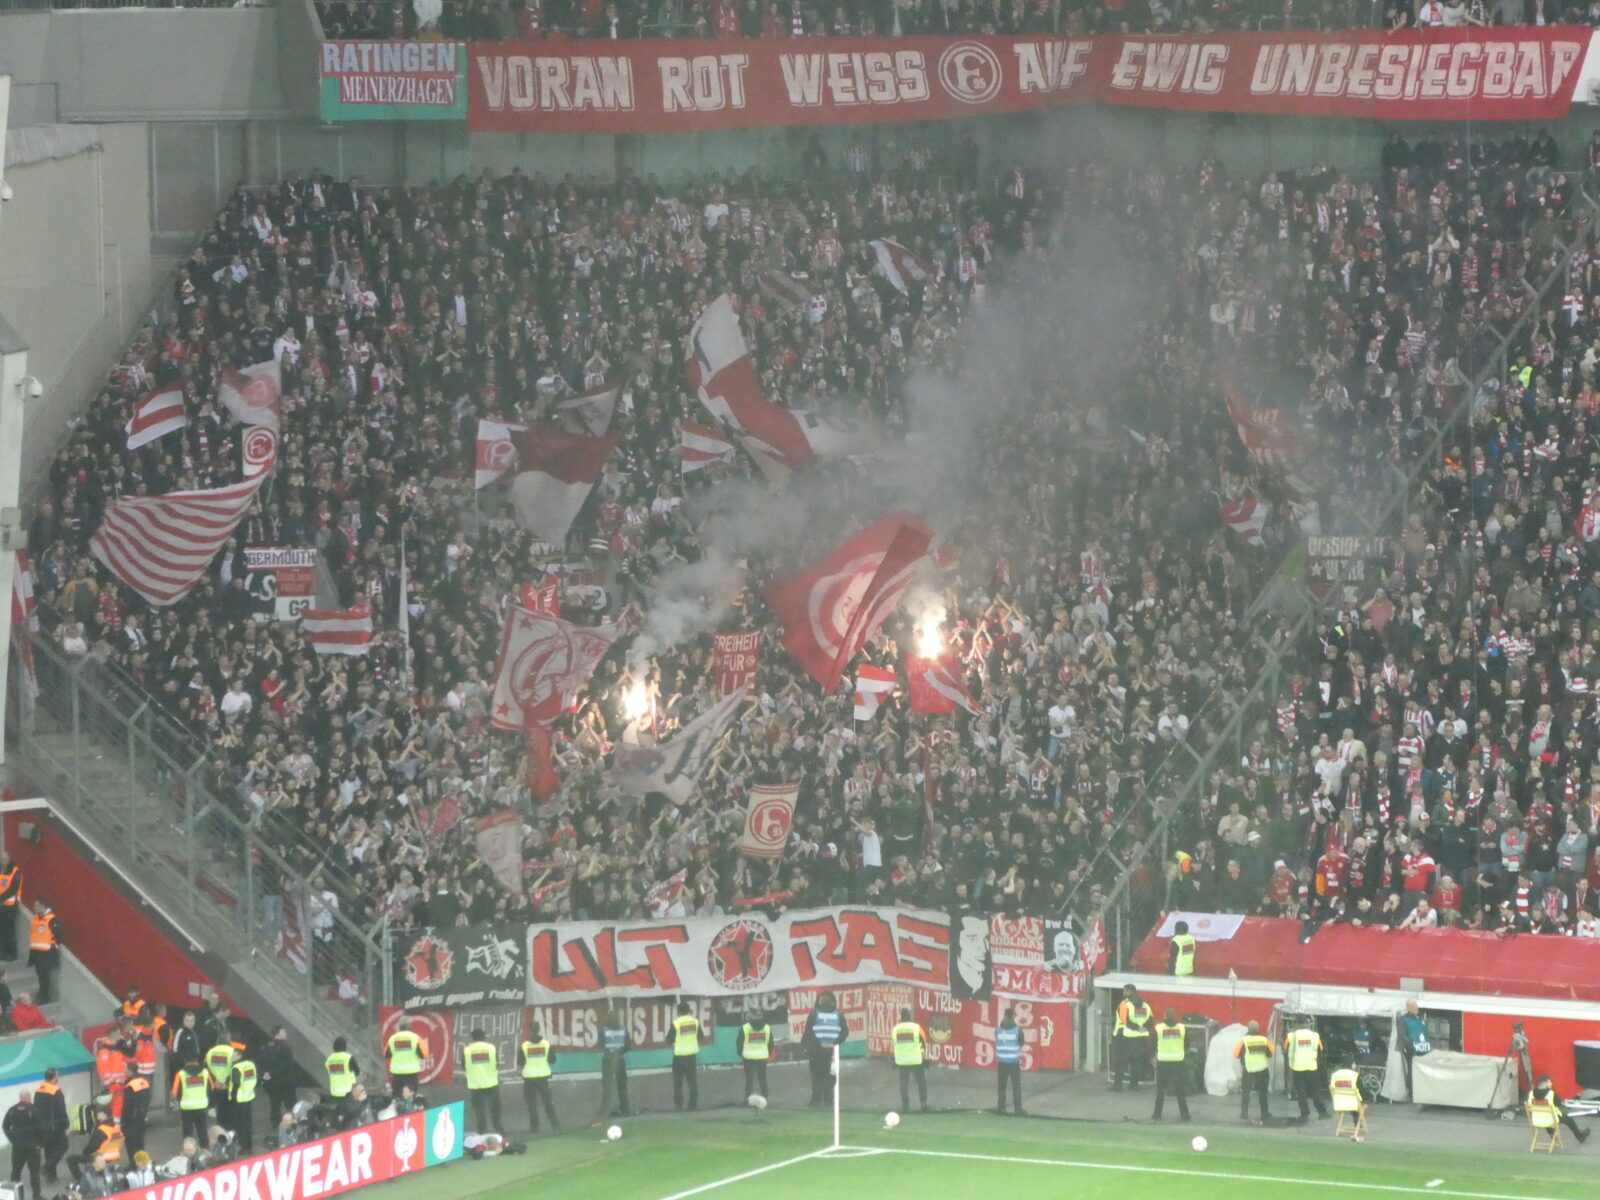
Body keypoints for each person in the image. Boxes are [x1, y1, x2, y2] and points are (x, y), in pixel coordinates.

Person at [802, 992, 846, 1108]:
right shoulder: (839, 1015)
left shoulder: (813, 1015)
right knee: (830, 1076)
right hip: (832, 1052)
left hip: (816, 1051)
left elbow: (808, 1033)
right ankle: (828, 1099)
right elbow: (844, 1032)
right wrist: (835, 1042)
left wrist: (807, 1047)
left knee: (816, 1076)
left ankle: (816, 1099)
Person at [461, 1029, 505, 1136]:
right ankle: (499, 1130)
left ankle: (482, 1131)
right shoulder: (491, 1048)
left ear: (473, 1037)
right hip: (491, 1082)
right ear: (484, 1037)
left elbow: (464, 1066)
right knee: (495, 1108)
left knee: (479, 1110)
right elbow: (496, 1063)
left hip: (475, 1084)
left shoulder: (467, 1050)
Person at [1151, 1008, 1191, 1122]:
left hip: (1163, 1061)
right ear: (1175, 1016)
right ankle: (1185, 1115)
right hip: (1178, 1061)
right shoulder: (1182, 1028)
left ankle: (1157, 1115)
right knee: (1180, 1090)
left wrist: (1154, 1056)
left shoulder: (1159, 1028)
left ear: (1164, 1016)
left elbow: (1153, 1043)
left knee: (1161, 1090)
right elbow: (1187, 1043)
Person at [517, 1024, 558, 1132]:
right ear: (539, 1030)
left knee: (531, 1104)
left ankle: (535, 1127)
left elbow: (520, 1062)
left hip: (529, 1077)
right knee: (547, 1102)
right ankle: (555, 1124)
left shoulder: (524, 1045)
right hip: (543, 1077)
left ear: (530, 1030)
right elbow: (552, 1059)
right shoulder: (546, 1044)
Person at [1112, 984, 1153, 1090]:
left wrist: (1136, 1028)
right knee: (1136, 1062)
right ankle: (1134, 1084)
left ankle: (1118, 1085)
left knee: (1120, 1061)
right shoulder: (1145, 1005)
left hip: (1125, 1036)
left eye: (1124, 991)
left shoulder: (1124, 1004)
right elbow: (1150, 1020)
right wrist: (1143, 1028)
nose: (1123, 993)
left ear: (1127, 992)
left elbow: (1125, 1020)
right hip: (1141, 1038)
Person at [1285, 1024, 1329, 1121]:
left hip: (1297, 1067)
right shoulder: (1315, 1035)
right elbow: (1321, 1049)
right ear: (1306, 1024)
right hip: (1311, 1067)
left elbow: (1286, 1048)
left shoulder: (1291, 1036)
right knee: (1315, 1091)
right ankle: (1322, 1112)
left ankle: (1304, 1113)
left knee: (1301, 1092)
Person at [1529, 1074, 1590, 1143]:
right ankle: (1580, 1136)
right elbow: (1559, 1105)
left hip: (1536, 1120)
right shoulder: (1551, 1094)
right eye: (1550, 1082)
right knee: (1569, 1120)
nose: (1551, 1084)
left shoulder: (1531, 1094)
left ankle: (1552, 1134)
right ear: (1546, 1083)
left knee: (1544, 1113)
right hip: (1550, 1119)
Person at [68, 1107, 123, 1183]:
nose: (97, 1114)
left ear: (105, 1115)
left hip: (101, 1157)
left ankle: (81, 1180)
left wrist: (84, 1152)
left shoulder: (102, 1130)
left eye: (99, 1113)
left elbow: (92, 1146)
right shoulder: (116, 1129)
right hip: (114, 1157)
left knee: (70, 1159)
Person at [1234, 1020, 1274, 1122]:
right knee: (1263, 1092)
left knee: (1246, 1092)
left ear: (1248, 1029)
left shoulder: (1244, 1040)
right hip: (1262, 1069)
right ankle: (1265, 1113)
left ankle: (1244, 1113)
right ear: (1258, 1029)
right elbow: (1271, 1052)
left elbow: (1235, 1054)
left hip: (1249, 1069)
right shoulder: (1264, 1040)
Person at [891, 1006, 928, 1112]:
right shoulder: (916, 1027)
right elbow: (924, 1042)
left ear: (901, 1016)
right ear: (910, 1015)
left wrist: (895, 1058)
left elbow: (894, 1043)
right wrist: (923, 1056)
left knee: (903, 1083)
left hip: (901, 1060)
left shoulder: (895, 1029)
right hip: (916, 1059)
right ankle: (923, 1104)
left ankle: (905, 1106)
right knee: (921, 1081)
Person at [35, 1066, 69, 1182]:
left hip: (41, 1126)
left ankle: (51, 1175)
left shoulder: (39, 1089)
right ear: (54, 1077)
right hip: (55, 1126)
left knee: (49, 1150)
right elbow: (61, 1110)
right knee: (63, 1147)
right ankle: (46, 1167)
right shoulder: (55, 1091)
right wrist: (66, 1126)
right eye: (57, 1075)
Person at [5, 1090, 41, 1199]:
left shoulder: (12, 1110)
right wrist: (40, 1143)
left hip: (18, 1147)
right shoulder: (34, 1109)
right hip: (32, 1147)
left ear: (20, 1098)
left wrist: (12, 1139)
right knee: (34, 1172)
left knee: (15, 1171)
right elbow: (41, 1128)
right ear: (29, 1097)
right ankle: (36, 1196)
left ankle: (13, 1195)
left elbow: (5, 1126)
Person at [259, 1026, 298, 1126]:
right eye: (283, 1032)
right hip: (285, 1082)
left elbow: (261, 1062)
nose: (286, 1033)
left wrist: (265, 1074)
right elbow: (287, 1065)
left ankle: (276, 1126)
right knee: (291, 1106)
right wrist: (271, 1073)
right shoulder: (286, 1048)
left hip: (272, 1083)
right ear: (277, 1034)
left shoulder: (266, 1047)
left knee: (275, 1106)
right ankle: (293, 1124)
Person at [598, 1009, 630, 1119]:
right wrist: (618, 1053)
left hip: (607, 1061)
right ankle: (625, 1110)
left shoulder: (603, 1030)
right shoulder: (624, 1030)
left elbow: (601, 1045)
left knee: (607, 1087)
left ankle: (604, 1111)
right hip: (620, 1060)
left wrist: (610, 1054)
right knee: (622, 1087)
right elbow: (628, 1046)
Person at [1397, 998, 1431, 1100]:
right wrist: (1411, 1046)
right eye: (1415, 1006)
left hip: (1424, 1049)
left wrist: (1428, 1043)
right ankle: (1412, 1092)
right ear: (1409, 1008)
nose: (1417, 1008)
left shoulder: (1420, 1019)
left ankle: (1422, 1090)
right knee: (1412, 1071)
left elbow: (1425, 1032)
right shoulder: (1403, 1020)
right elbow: (1402, 1035)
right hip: (1413, 1051)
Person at [228, 1047, 258, 1155]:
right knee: (248, 1123)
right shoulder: (250, 1065)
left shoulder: (236, 1067)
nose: (232, 1057)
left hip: (238, 1099)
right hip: (248, 1097)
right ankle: (249, 1146)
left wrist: (232, 1096)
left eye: (234, 1055)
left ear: (240, 1055)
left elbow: (235, 1083)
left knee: (240, 1125)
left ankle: (243, 1146)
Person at [173, 1059, 211, 1145]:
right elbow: (210, 1088)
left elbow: (175, 1093)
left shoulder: (180, 1074)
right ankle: (205, 1151)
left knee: (187, 1132)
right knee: (202, 1130)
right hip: (202, 1106)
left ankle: (188, 1151)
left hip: (186, 1108)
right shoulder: (205, 1072)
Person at [994, 1008, 1024, 1115]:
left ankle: (1001, 1107)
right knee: (1016, 1085)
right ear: (1013, 1016)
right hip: (1013, 1062)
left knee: (1002, 1086)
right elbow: (1021, 1043)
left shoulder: (997, 1030)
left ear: (1004, 1016)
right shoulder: (1017, 1030)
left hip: (1002, 1062)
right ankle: (1018, 1109)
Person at [671, 1001, 701, 1112]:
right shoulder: (695, 1022)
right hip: (691, 1056)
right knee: (692, 1082)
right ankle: (693, 1105)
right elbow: (701, 1036)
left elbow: (669, 1038)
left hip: (679, 1056)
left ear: (678, 1012)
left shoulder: (676, 1023)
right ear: (689, 1011)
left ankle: (679, 1106)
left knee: (678, 1083)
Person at [385, 1020, 427, 1096]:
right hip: (412, 1074)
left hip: (397, 1074)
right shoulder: (415, 1038)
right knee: (411, 1096)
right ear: (409, 1026)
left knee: (397, 1096)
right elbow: (424, 1054)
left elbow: (387, 1055)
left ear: (399, 1027)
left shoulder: (392, 1039)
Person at [27, 902, 58, 1003]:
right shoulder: (35, 919)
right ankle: (41, 993)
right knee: (39, 974)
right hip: (36, 952)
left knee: (44, 975)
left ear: (43, 907)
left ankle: (44, 996)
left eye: (36, 906)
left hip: (46, 953)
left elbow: (58, 935)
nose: (34, 908)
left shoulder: (51, 919)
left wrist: (53, 949)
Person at [205, 1038, 237, 1134]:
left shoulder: (210, 1052)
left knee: (220, 1111)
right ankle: (230, 1133)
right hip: (228, 1086)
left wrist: (215, 1081)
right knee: (230, 1111)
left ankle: (220, 1133)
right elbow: (235, 1069)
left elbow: (207, 1069)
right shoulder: (232, 1051)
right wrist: (226, 1082)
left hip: (217, 1086)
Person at [737, 1013, 771, 1102]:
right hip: (762, 1057)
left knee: (749, 1080)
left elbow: (739, 1042)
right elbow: (771, 1044)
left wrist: (742, 1053)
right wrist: (766, 1053)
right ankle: (765, 1097)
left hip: (748, 1057)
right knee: (763, 1078)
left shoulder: (745, 1028)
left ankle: (747, 1099)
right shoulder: (767, 1028)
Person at [122, 1071, 152, 1156]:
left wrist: (124, 1120)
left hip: (132, 1119)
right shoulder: (144, 1081)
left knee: (130, 1143)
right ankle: (142, 1163)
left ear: (129, 1071)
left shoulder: (130, 1086)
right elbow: (149, 1098)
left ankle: (133, 1165)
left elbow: (127, 1106)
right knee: (140, 1142)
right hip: (143, 1116)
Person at [0, 856, 23, 962]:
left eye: (4, 859)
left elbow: (12, 889)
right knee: (2, 931)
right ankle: (4, 953)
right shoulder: (1, 870)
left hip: (10, 907)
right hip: (1, 906)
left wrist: (1, 898)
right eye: (1, 859)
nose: (2, 861)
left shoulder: (15, 871)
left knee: (9, 931)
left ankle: (12, 954)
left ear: (9, 859)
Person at [325, 1035, 359, 1100]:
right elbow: (357, 1073)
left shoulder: (329, 1059)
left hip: (334, 1092)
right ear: (345, 1046)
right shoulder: (349, 1058)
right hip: (348, 1092)